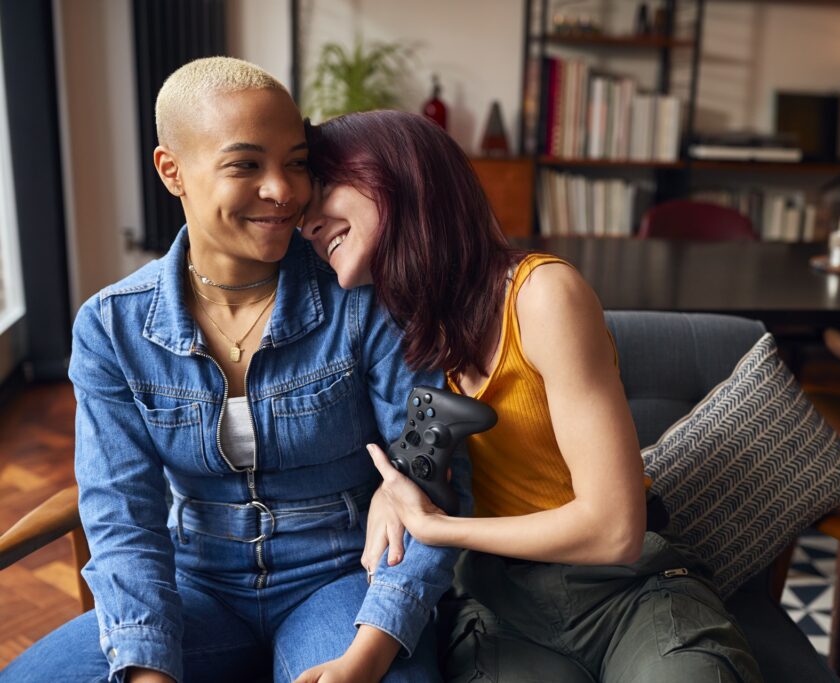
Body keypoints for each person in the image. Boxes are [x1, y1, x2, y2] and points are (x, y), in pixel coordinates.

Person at [0, 58, 467, 683]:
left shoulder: (359, 294)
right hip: (195, 587)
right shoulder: (111, 328)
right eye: (245, 164)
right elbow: (121, 516)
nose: (283, 189)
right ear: (173, 171)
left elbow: (432, 475)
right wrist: (146, 667)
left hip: (345, 579)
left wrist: (376, 643)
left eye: (297, 161)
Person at [300, 110, 763, 683]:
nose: (308, 224)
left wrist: (441, 529)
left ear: (397, 175)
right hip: (501, 605)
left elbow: (616, 529)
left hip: (626, 592)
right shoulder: (404, 331)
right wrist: (389, 491)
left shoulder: (543, 295)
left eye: (325, 189)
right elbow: (423, 459)